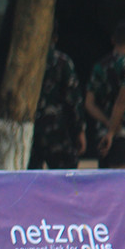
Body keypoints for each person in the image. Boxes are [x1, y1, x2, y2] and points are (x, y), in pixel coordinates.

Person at [27, 23, 86, 169]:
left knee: (30, 177)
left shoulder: (26, 62)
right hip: (57, 131)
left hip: (30, 131)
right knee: (64, 177)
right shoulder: (62, 62)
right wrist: (79, 130)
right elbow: (73, 100)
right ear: (55, 38)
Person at [85, 20, 125, 168]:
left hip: (102, 135)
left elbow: (89, 103)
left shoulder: (100, 66)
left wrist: (106, 123)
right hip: (123, 133)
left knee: (105, 179)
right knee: (123, 179)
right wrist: (112, 131)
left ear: (113, 40)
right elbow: (121, 102)